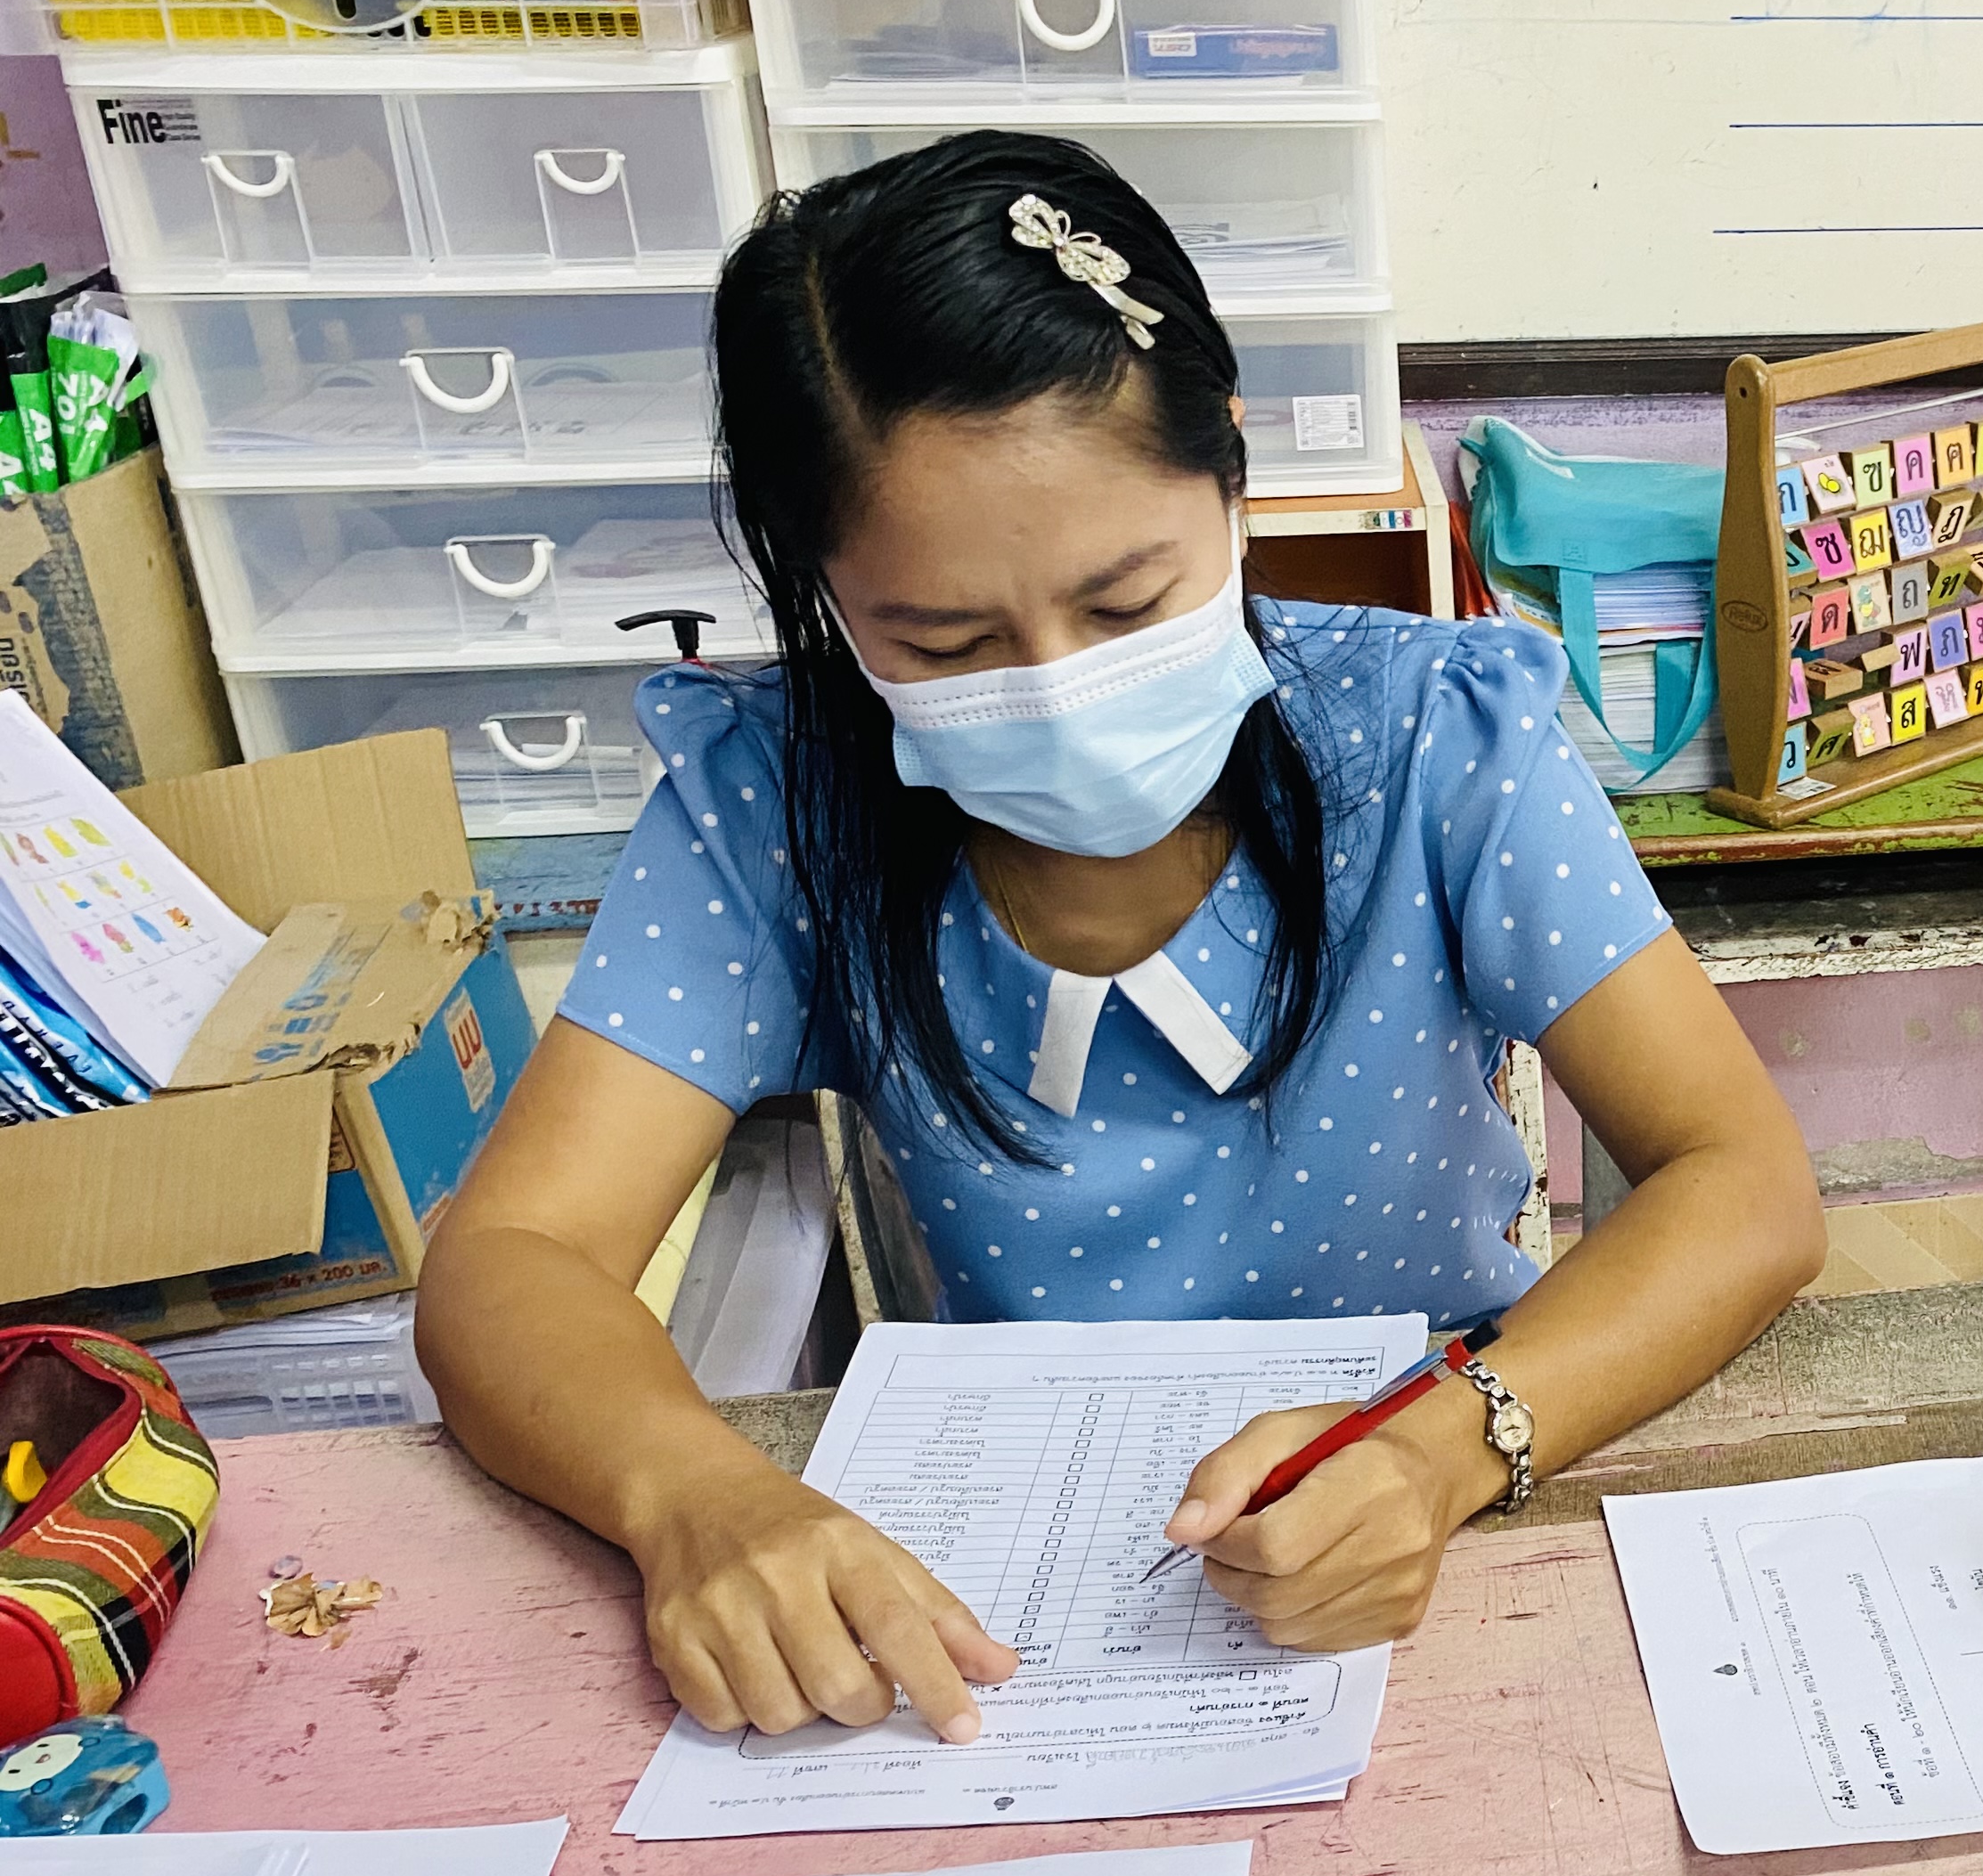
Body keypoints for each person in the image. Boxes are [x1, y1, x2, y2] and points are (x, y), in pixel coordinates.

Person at [419, 134, 1824, 1743]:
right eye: (944, 641)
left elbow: (1744, 1184)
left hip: (1447, 1492)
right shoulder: (777, 802)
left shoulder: (1433, 737)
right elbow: (511, 1265)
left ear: (1230, 465)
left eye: (1126, 602)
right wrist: (694, 1496)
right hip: (1010, 1575)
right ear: (827, 592)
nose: (1054, 688)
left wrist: (1448, 1443)